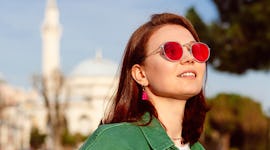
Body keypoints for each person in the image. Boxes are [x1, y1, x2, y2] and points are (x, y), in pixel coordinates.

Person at [80, 12, 210, 150]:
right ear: (141, 74)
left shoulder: (197, 148)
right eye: (172, 50)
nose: (189, 58)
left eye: (196, 50)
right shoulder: (114, 142)